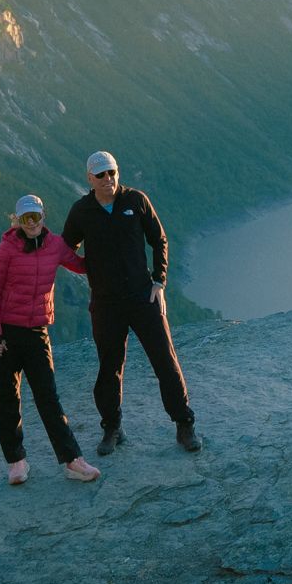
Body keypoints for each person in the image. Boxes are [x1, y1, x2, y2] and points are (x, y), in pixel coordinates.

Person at [63, 148, 196, 453]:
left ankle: (184, 424)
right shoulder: (81, 211)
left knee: (165, 361)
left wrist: (159, 281)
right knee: (109, 368)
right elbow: (64, 248)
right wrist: (86, 268)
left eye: (112, 172)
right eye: (101, 174)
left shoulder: (135, 201)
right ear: (89, 178)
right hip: (106, 302)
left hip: (142, 296)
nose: (108, 178)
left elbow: (159, 238)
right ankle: (112, 429)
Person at [0, 194, 98, 483]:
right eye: (26, 218)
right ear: (17, 221)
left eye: (36, 216)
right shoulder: (7, 249)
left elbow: (81, 265)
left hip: (37, 333)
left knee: (48, 398)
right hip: (7, 334)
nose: (32, 223)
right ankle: (16, 462)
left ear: (43, 217)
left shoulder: (55, 246)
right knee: (7, 400)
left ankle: (72, 460)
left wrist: (105, 245)